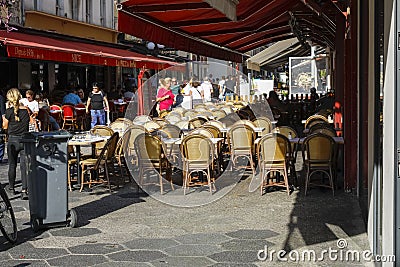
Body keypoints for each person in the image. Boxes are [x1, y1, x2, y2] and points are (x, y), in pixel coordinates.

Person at [3, 88, 30, 199]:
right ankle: (24, 190)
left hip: (12, 140)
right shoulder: (26, 111)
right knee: (24, 166)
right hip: (24, 139)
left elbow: (4, 126)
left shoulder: (9, 111)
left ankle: (11, 188)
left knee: (12, 164)